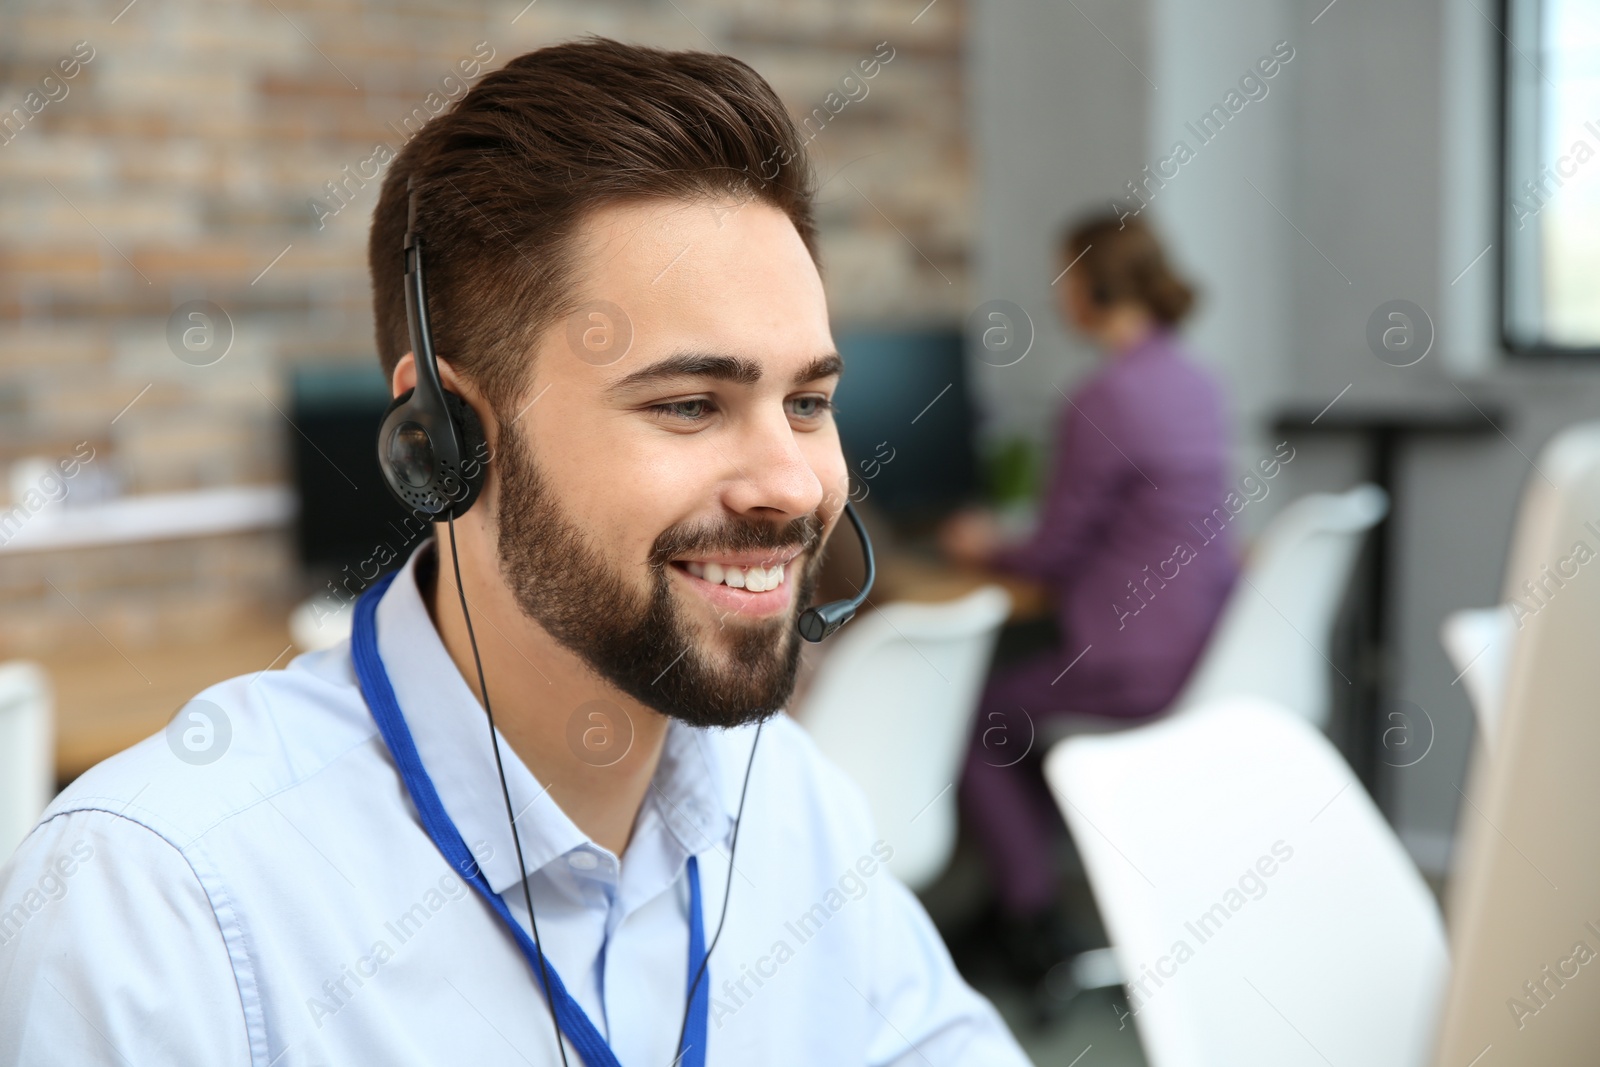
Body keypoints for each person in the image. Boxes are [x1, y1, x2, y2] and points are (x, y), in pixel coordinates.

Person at [0, 39, 1032, 1066]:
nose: (796, 482)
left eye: (807, 402)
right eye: (687, 403)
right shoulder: (160, 895)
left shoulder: (789, 798)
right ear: (442, 438)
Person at [940, 213, 1238, 984]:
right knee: (1018, 717)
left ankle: (1030, 920)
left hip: (1129, 662)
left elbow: (1053, 551)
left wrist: (980, 545)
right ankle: (1023, 890)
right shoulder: (1198, 382)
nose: (1057, 293)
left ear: (1095, 286)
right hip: (1199, 643)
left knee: (981, 722)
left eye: (1064, 276)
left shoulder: (1104, 397)